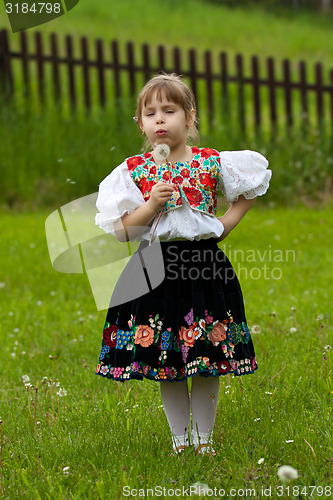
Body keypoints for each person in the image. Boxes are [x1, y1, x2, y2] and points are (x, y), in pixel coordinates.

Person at [94, 73, 272, 456]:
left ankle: (204, 441)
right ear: (140, 123)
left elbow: (250, 188)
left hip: (204, 269)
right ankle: (179, 440)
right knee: (166, 357)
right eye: (150, 113)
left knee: (207, 356)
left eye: (169, 111)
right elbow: (123, 232)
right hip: (153, 269)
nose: (160, 120)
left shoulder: (210, 162)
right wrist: (151, 204)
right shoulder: (134, 171)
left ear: (189, 118)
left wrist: (225, 223)